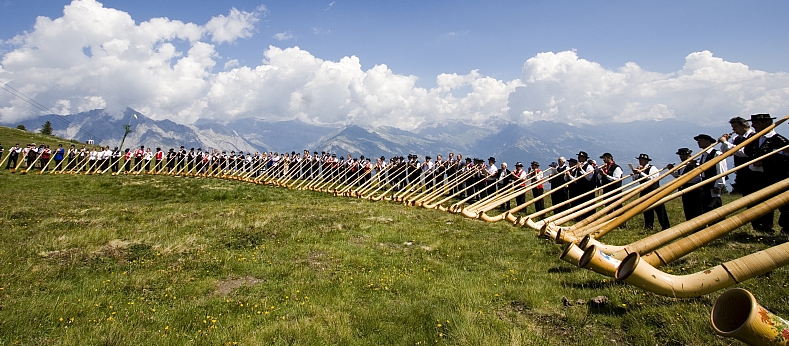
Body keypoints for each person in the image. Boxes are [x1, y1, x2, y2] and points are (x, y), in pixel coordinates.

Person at [745, 113, 789, 233]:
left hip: (774, 176)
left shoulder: (779, 140)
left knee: (781, 203)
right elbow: (747, 152)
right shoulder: (755, 138)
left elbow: (784, 159)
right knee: (759, 201)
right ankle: (762, 226)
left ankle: (785, 227)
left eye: (756, 123)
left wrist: (764, 162)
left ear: (766, 124)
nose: (753, 126)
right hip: (757, 175)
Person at [632, 154, 669, 230]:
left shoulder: (652, 168)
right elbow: (634, 179)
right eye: (639, 160)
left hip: (654, 190)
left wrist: (641, 173)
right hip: (644, 191)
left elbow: (651, 179)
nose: (640, 161)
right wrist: (636, 173)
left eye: (642, 160)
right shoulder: (640, 168)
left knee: (659, 209)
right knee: (646, 209)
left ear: (646, 161)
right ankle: (648, 226)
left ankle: (665, 226)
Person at [718, 117, 755, 195]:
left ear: (744, 126)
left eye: (735, 127)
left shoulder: (753, 136)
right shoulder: (736, 138)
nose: (733, 130)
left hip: (751, 171)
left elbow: (743, 152)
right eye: (732, 127)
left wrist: (725, 143)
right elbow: (726, 152)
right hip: (740, 170)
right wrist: (725, 142)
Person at [694, 134, 728, 216]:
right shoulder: (703, 155)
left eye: (700, 141)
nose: (698, 143)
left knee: (714, 207)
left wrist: (718, 185)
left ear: (707, 142)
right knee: (706, 208)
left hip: (713, 185)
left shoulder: (716, 154)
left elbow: (721, 170)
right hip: (706, 184)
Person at [668, 148, 702, 221]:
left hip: (694, 188)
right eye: (681, 155)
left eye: (684, 155)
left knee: (696, 208)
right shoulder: (681, 165)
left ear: (689, 155)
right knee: (687, 208)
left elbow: (698, 177)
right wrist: (671, 170)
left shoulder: (696, 164)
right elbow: (678, 176)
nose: (682, 157)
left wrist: (685, 177)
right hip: (685, 187)